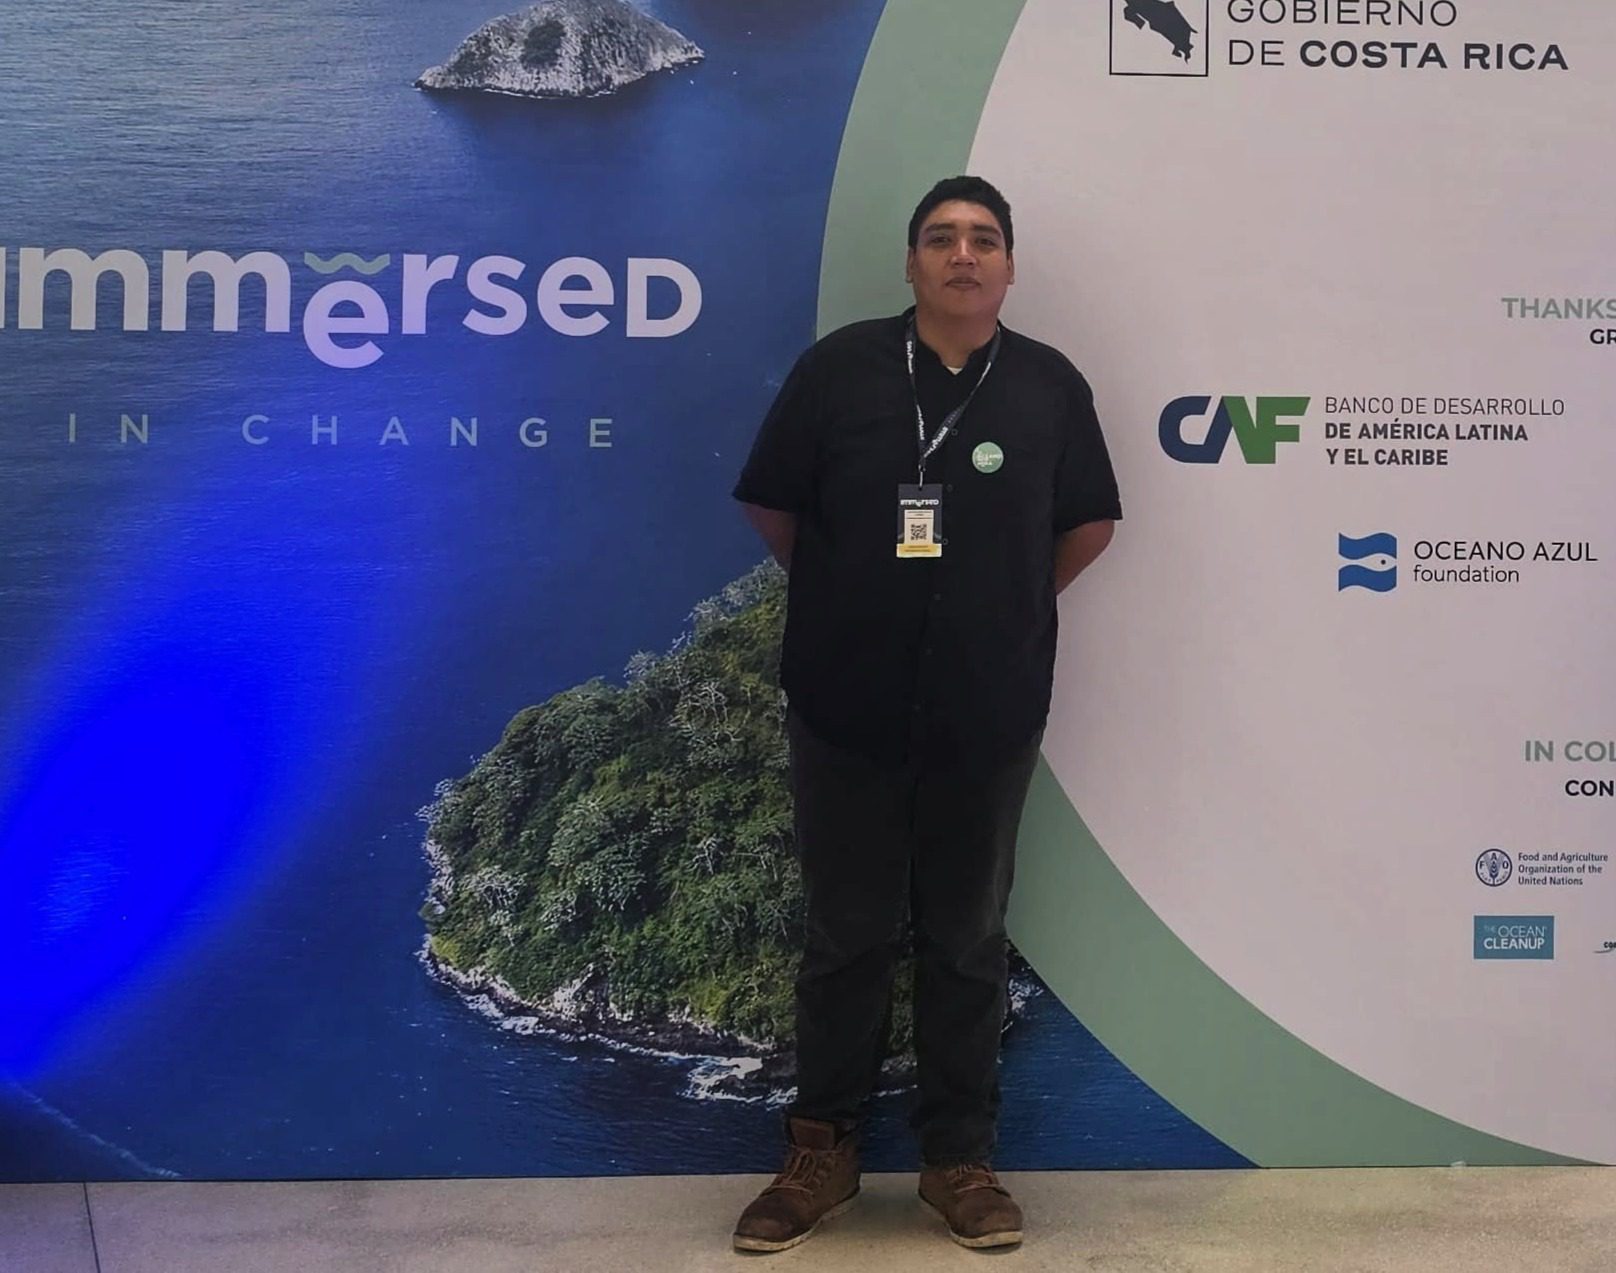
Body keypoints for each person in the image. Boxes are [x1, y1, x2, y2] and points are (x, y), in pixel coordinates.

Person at [729, 175, 1121, 1252]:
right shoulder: (838, 371)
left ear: (1008, 267)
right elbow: (771, 503)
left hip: (985, 709)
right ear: (910, 263)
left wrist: (1002, 609)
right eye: (941, 238)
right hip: (844, 701)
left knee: (966, 938)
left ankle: (959, 1160)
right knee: (844, 936)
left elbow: (1088, 524)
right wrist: (853, 598)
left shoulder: (1047, 386)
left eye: (983, 239)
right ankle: (822, 1155)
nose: (962, 254)